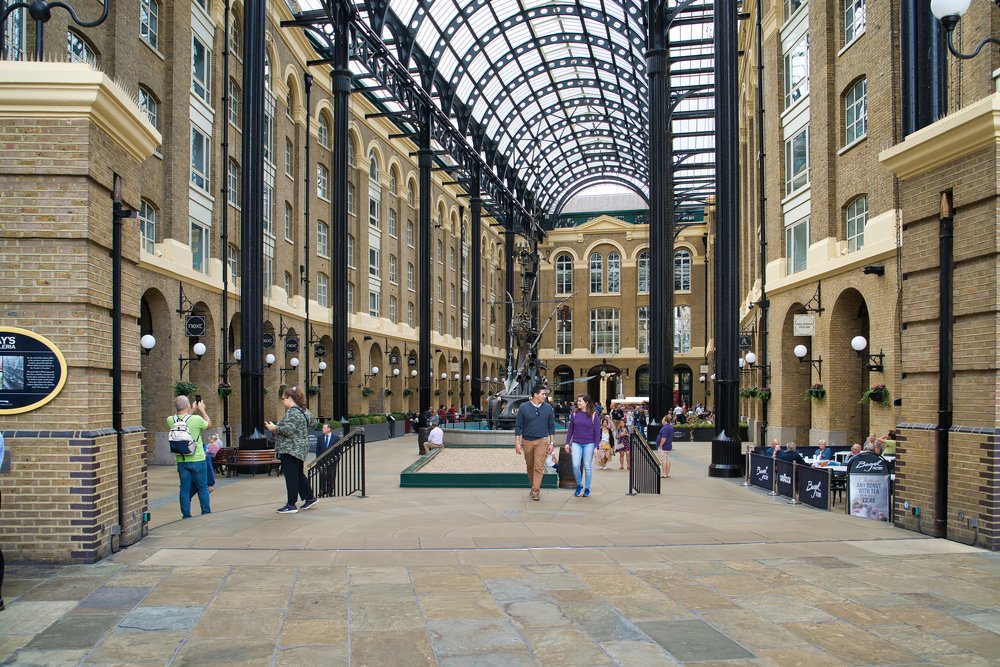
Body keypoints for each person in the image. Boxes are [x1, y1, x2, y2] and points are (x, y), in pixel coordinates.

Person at [265, 386, 319, 514]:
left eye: (283, 398)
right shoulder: (304, 410)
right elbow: (314, 423)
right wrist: (302, 432)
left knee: (291, 477)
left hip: (290, 449)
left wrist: (274, 428)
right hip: (300, 449)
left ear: (290, 398)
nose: (282, 400)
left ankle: (291, 505)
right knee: (298, 474)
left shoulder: (292, 412)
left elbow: (288, 430)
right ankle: (310, 498)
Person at [167, 395, 211, 519]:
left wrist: (192, 410)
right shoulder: (196, 419)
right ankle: (206, 512)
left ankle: (186, 515)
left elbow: (183, 420)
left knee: (184, 489)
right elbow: (209, 425)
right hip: (197, 459)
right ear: (187, 405)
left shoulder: (170, 420)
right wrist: (202, 410)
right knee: (202, 487)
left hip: (181, 459)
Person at [513, 385, 555, 501]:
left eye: (545, 394)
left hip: (542, 441)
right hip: (527, 441)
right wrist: (517, 443)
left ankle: (536, 491)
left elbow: (551, 426)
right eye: (543, 394)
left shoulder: (548, 408)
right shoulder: (523, 407)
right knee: (530, 466)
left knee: (538, 466)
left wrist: (552, 443)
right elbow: (518, 426)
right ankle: (533, 487)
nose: (545, 396)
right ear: (535, 395)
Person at [564, 394, 600, 497]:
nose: (578, 403)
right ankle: (579, 485)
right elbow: (570, 429)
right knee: (575, 465)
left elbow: (597, 432)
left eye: (580, 401)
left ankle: (587, 488)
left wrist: (596, 446)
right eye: (578, 401)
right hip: (576, 443)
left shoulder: (594, 415)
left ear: (586, 403)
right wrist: (567, 443)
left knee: (587, 466)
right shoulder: (575, 413)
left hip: (589, 443)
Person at [314, 423, 335, 496]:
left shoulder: (336, 438)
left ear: (329, 429)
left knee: (331, 476)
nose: (322, 429)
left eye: (324, 428)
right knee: (322, 476)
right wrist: (318, 460)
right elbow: (317, 450)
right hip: (322, 461)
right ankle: (322, 490)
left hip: (332, 461)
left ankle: (330, 491)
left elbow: (338, 450)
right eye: (323, 428)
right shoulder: (320, 437)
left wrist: (335, 460)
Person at [655, 414, 673, 478]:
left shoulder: (665, 428)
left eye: (663, 419)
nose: (662, 420)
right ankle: (667, 473)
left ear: (665, 421)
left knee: (663, 460)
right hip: (668, 446)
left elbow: (664, 438)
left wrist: (661, 445)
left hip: (664, 446)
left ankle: (664, 474)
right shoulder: (670, 427)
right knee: (667, 459)